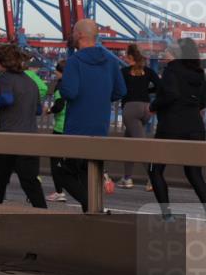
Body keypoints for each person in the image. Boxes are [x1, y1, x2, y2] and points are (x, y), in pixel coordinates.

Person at [55, 19, 127, 212]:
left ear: (79, 35)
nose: (71, 35)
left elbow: (70, 92)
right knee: (89, 174)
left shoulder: (74, 61)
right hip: (100, 127)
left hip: (76, 127)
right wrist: (100, 97)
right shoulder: (111, 60)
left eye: (73, 31)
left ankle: (93, 207)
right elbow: (121, 91)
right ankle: (93, 214)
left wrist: (63, 88)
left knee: (63, 173)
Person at [147, 39, 206, 217]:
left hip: (170, 127)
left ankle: (167, 215)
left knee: (155, 169)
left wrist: (153, 106)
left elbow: (171, 94)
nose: (165, 54)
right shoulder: (199, 73)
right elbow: (203, 101)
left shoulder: (171, 70)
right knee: (194, 174)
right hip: (195, 127)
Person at [0, 44, 47, 208]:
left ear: (2, 62)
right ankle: (43, 213)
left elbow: (7, 99)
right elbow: (38, 110)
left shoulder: (4, 78)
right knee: (30, 182)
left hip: (8, 138)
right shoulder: (31, 82)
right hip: (29, 137)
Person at [117, 43, 159, 189]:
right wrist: (147, 92)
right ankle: (127, 178)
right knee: (129, 144)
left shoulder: (123, 72)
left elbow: (119, 90)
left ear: (130, 56)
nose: (124, 57)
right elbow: (160, 86)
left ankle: (153, 179)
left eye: (125, 54)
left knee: (141, 145)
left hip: (131, 109)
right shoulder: (148, 71)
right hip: (146, 108)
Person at [45, 60, 68, 203]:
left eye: (57, 70)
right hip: (73, 127)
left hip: (60, 128)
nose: (55, 72)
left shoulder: (60, 86)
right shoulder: (74, 83)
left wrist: (49, 110)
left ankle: (59, 191)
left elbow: (59, 106)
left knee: (55, 160)